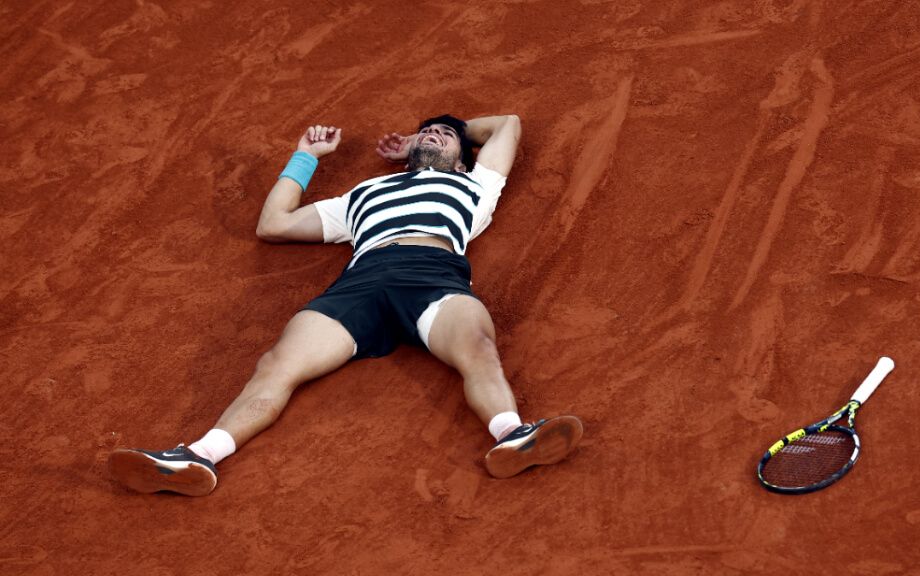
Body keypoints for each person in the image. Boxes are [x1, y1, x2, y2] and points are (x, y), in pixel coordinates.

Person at [108, 114, 584, 496]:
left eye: (446, 135)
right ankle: (199, 456)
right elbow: (273, 224)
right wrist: (304, 157)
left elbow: (508, 125)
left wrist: (457, 129)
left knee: (477, 346)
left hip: (432, 275)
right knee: (277, 364)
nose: (433, 134)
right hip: (360, 284)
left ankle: (511, 434)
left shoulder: (475, 185)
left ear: (464, 160)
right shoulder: (362, 194)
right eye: (427, 130)